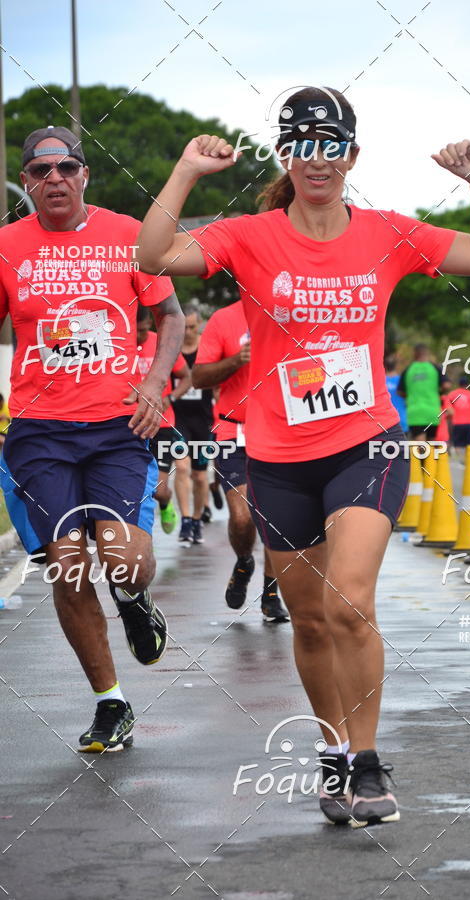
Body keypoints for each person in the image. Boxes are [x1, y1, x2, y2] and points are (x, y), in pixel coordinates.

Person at [137, 87, 470, 827]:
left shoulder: (386, 234)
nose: (318, 157)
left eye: (331, 143)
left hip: (365, 443)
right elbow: (151, 256)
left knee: (349, 601)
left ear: (351, 156)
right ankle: (334, 754)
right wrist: (184, 172)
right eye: (303, 143)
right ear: (287, 155)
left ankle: (368, 761)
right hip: (276, 454)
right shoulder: (250, 235)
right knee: (309, 622)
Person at [0, 126, 185, 752]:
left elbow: (171, 316)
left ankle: (133, 597)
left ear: (85, 176)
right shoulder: (6, 246)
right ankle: (111, 702)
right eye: (40, 169)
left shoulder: (129, 234)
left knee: (124, 558)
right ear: (25, 182)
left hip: (116, 426)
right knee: (69, 566)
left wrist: (156, 384)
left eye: (67, 167)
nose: (54, 178)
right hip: (38, 431)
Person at [193, 300, 289, 623]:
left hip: (279, 431)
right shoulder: (224, 318)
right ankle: (245, 560)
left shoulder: (289, 313)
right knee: (243, 517)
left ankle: (271, 593)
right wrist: (238, 359)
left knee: (274, 519)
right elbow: (199, 377)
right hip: (233, 431)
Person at [136, 306, 191, 532]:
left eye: (142, 330)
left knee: (158, 490)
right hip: (129, 424)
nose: (138, 336)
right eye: (134, 331)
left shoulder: (162, 344)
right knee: (134, 488)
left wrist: (170, 398)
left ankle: (166, 504)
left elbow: (187, 378)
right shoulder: (118, 344)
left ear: (150, 323)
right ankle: (141, 538)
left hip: (161, 425)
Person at [169, 303, 214, 544]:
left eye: (192, 327)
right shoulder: (172, 350)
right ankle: (185, 520)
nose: (187, 332)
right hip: (178, 420)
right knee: (183, 468)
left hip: (204, 421)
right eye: (184, 327)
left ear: (199, 327)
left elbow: (217, 383)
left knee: (199, 476)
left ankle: (197, 519)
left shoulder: (206, 350)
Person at [398, 344, 450, 440]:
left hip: (415, 412)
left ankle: (421, 454)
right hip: (432, 411)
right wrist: (439, 392)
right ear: (427, 353)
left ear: (415, 354)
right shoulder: (435, 368)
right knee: (431, 443)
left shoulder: (408, 370)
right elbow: (446, 385)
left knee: (420, 445)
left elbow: (400, 392)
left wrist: (411, 394)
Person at [447, 376, 470, 457]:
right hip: (469, 422)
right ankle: (467, 459)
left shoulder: (452, 394)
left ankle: (460, 459)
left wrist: (453, 414)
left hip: (457, 422)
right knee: (468, 443)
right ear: (468, 384)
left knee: (457, 443)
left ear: (459, 384)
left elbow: (449, 409)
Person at [384, 353, 408, 432]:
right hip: (402, 420)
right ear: (396, 366)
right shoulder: (402, 380)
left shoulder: (381, 382)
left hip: (385, 422)